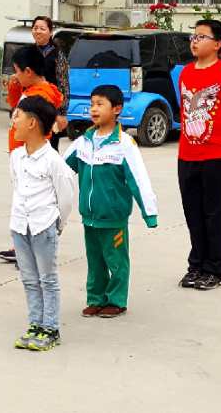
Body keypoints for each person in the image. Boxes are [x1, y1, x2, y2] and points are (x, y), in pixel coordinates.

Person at [64, 85, 158, 318]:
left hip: (114, 219)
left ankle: (116, 300)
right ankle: (96, 299)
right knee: (94, 261)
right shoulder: (84, 142)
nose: (93, 109)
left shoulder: (124, 144)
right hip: (89, 218)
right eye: (92, 104)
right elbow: (61, 170)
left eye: (100, 104)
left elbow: (139, 179)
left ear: (117, 109)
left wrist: (149, 212)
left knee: (116, 261)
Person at [177, 19, 221, 291]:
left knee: (214, 213)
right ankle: (196, 264)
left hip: (217, 155)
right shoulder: (185, 73)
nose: (195, 41)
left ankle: (214, 269)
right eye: (193, 36)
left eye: (201, 37)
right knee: (193, 212)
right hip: (187, 154)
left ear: (217, 44)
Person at [10, 96, 76, 351]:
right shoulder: (16, 157)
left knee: (47, 279)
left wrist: (57, 224)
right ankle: (35, 324)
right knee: (29, 278)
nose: (13, 121)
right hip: (20, 226)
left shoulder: (53, 160)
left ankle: (50, 328)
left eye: (18, 116)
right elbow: (17, 186)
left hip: (43, 227)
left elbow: (66, 196)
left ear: (32, 123)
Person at [0, 46, 64, 263]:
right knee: (23, 200)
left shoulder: (40, 95)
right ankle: (23, 246)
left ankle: (30, 248)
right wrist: (15, 87)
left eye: (16, 71)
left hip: (31, 156)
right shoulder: (31, 90)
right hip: (21, 155)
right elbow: (14, 105)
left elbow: (41, 129)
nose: (15, 75)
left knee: (33, 202)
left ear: (28, 71)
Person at [30, 16, 69, 150]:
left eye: (42, 28)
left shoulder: (57, 54)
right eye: (35, 28)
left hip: (50, 108)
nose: (38, 31)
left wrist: (62, 112)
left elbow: (63, 84)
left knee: (50, 147)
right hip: (30, 107)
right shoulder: (28, 52)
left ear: (50, 32)